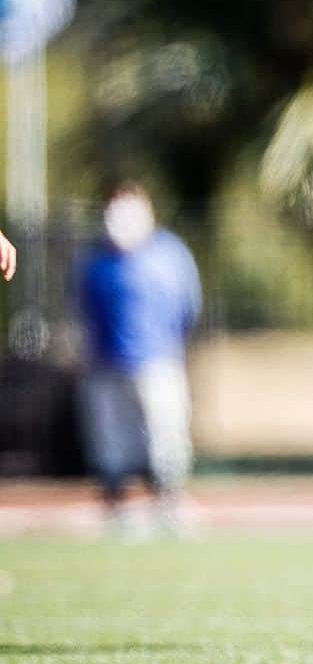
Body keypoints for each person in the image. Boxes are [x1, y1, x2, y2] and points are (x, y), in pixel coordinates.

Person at [76, 181, 202, 532]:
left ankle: (169, 500)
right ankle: (116, 505)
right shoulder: (95, 260)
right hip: (105, 364)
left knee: (166, 435)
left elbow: (188, 305)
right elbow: (84, 309)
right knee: (111, 440)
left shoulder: (169, 254)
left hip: (158, 361)